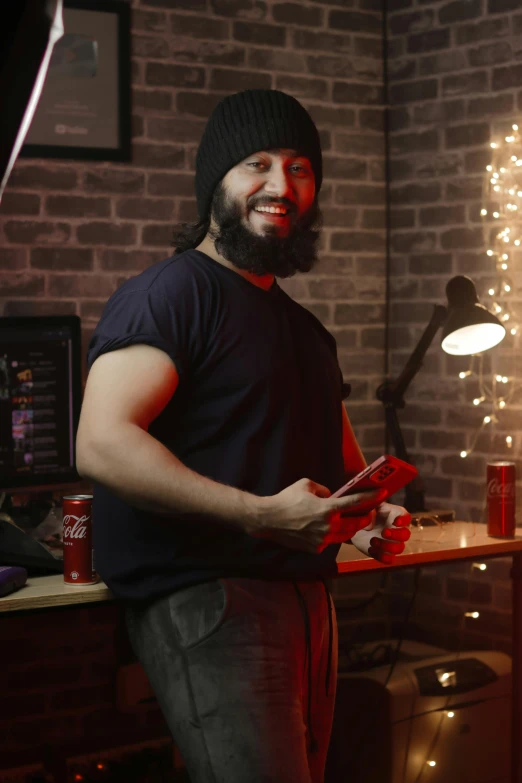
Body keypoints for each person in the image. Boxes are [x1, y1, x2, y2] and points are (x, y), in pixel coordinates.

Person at [76, 89, 411, 783]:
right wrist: (260, 515)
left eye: (300, 169)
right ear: (216, 184)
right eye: (256, 164)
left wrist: (367, 517)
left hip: (310, 606)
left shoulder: (307, 331)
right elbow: (101, 442)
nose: (281, 186)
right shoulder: (173, 293)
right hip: (212, 595)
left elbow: (340, 469)